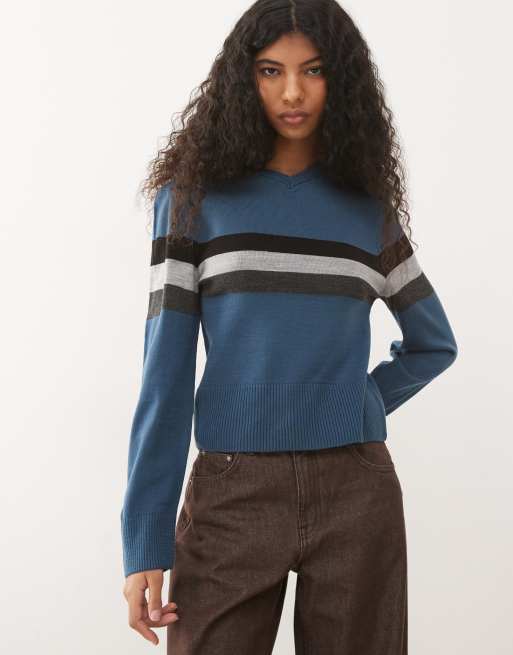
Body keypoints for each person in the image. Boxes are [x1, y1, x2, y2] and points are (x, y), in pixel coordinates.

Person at [120, 1, 458, 652]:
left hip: (356, 491)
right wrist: (144, 543)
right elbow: (164, 375)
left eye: (314, 70)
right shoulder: (190, 203)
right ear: (243, 79)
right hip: (231, 493)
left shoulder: (369, 215)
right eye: (271, 70)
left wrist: (356, 401)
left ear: (342, 81)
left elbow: (433, 343)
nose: (293, 91)